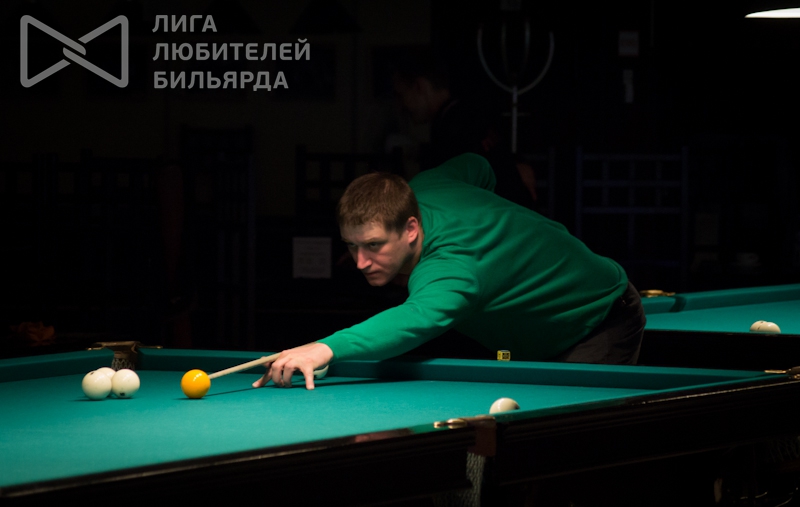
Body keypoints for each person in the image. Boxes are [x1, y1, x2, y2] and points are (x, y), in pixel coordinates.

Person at [253, 153, 645, 390]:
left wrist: (323, 348)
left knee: (557, 453)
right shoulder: (427, 186)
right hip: (536, 337)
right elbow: (478, 167)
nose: (360, 262)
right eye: (351, 246)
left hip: (596, 321)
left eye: (373, 245)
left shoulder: (451, 270)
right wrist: (507, 232)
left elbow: (413, 320)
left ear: (410, 228)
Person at [391, 48, 538, 210]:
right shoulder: (466, 116)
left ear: (419, 86)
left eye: (401, 95)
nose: (401, 106)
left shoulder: (455, 126)